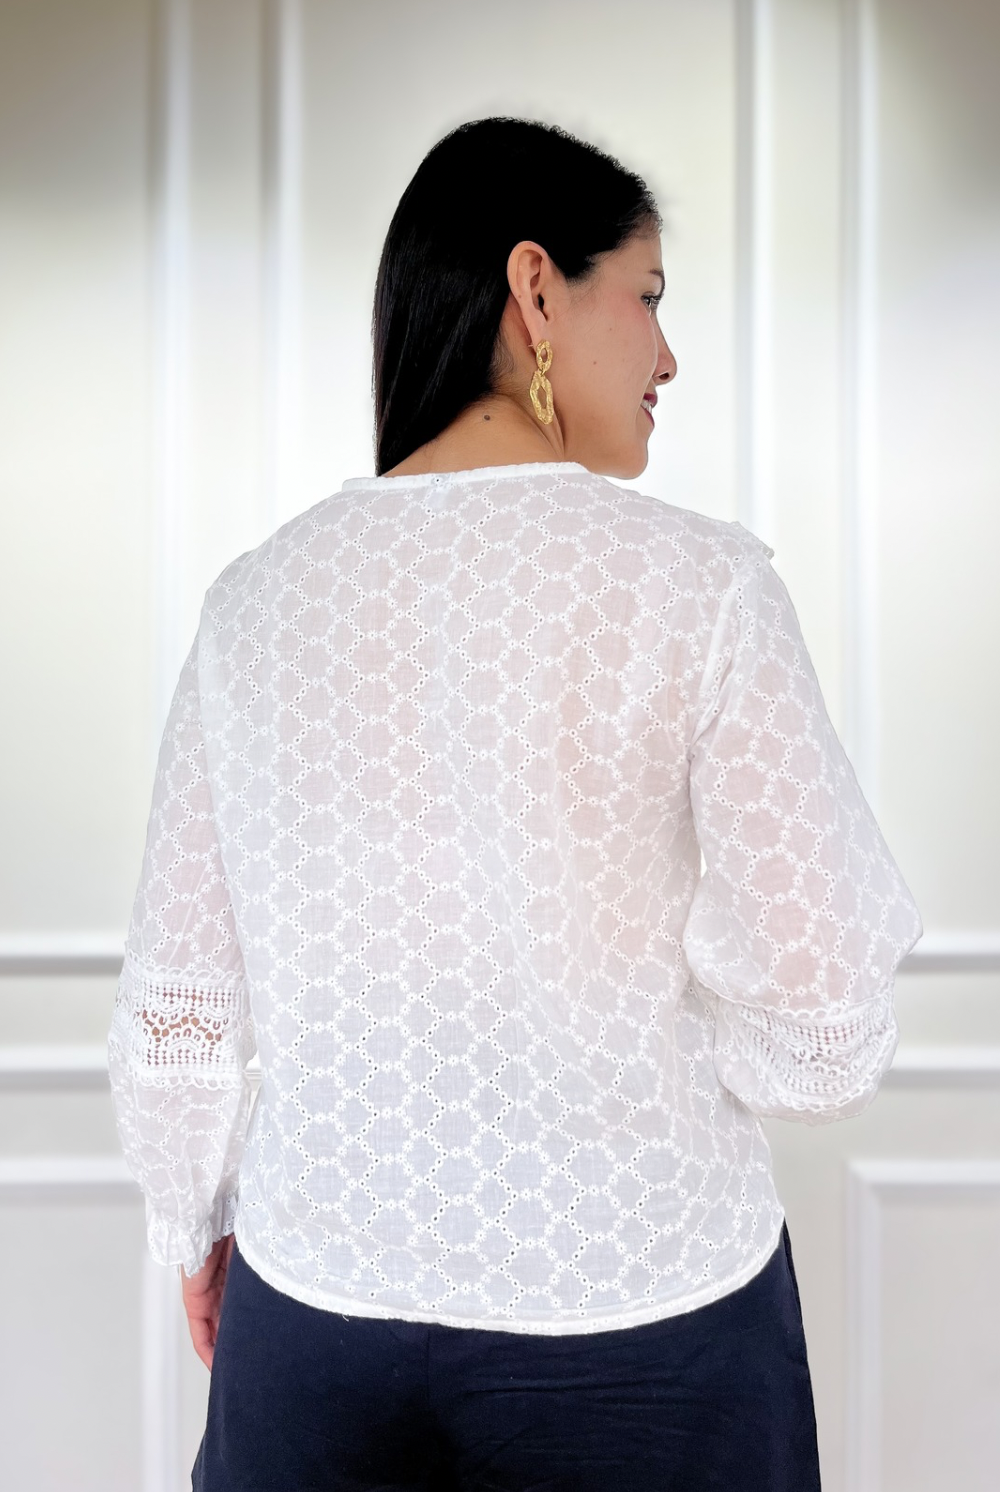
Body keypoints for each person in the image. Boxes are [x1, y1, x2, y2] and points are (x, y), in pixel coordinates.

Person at [107, 116, 922, 1491]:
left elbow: (179, 996)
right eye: (647, 297)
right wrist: (646, 1029)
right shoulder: (703, 591)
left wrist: (196, 1223)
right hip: (651, 1322)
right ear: (536, 288)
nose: (668, 356)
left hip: (316, 1327)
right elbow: (826, 1029)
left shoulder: (255, 604)